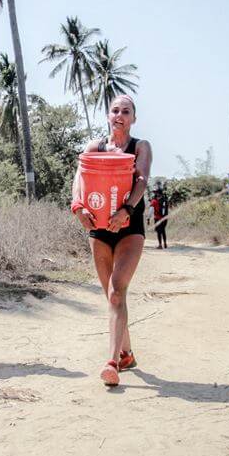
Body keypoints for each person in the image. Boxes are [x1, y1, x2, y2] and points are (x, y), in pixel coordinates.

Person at [71, 95, 152, 387]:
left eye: (126, 111)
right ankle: (127, 352)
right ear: (108, 115)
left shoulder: (140, 146)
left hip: (129, 226)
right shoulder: (95, 147)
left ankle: (112, 362)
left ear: (133, 118)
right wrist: (77, 206)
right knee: (112, 296)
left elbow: (141, 180)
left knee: (117, 291)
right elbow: (80, 175)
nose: (120, 115)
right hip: (99, 228)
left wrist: (127, 208)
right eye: (115, 110)